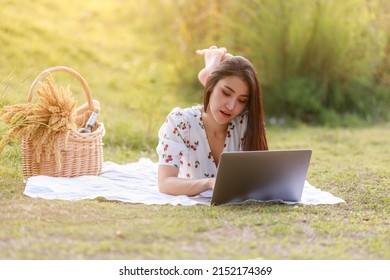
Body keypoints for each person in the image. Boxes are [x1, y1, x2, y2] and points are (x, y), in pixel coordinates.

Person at [156, 46, 268, 196]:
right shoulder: (180, 123)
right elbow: (165, 183)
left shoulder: (246, 122)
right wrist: (209, 182)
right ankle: (211, 66)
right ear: (210, 86)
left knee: (238, 70)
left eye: (242, 100)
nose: (231, 106)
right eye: (226, 93)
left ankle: (212, 66)